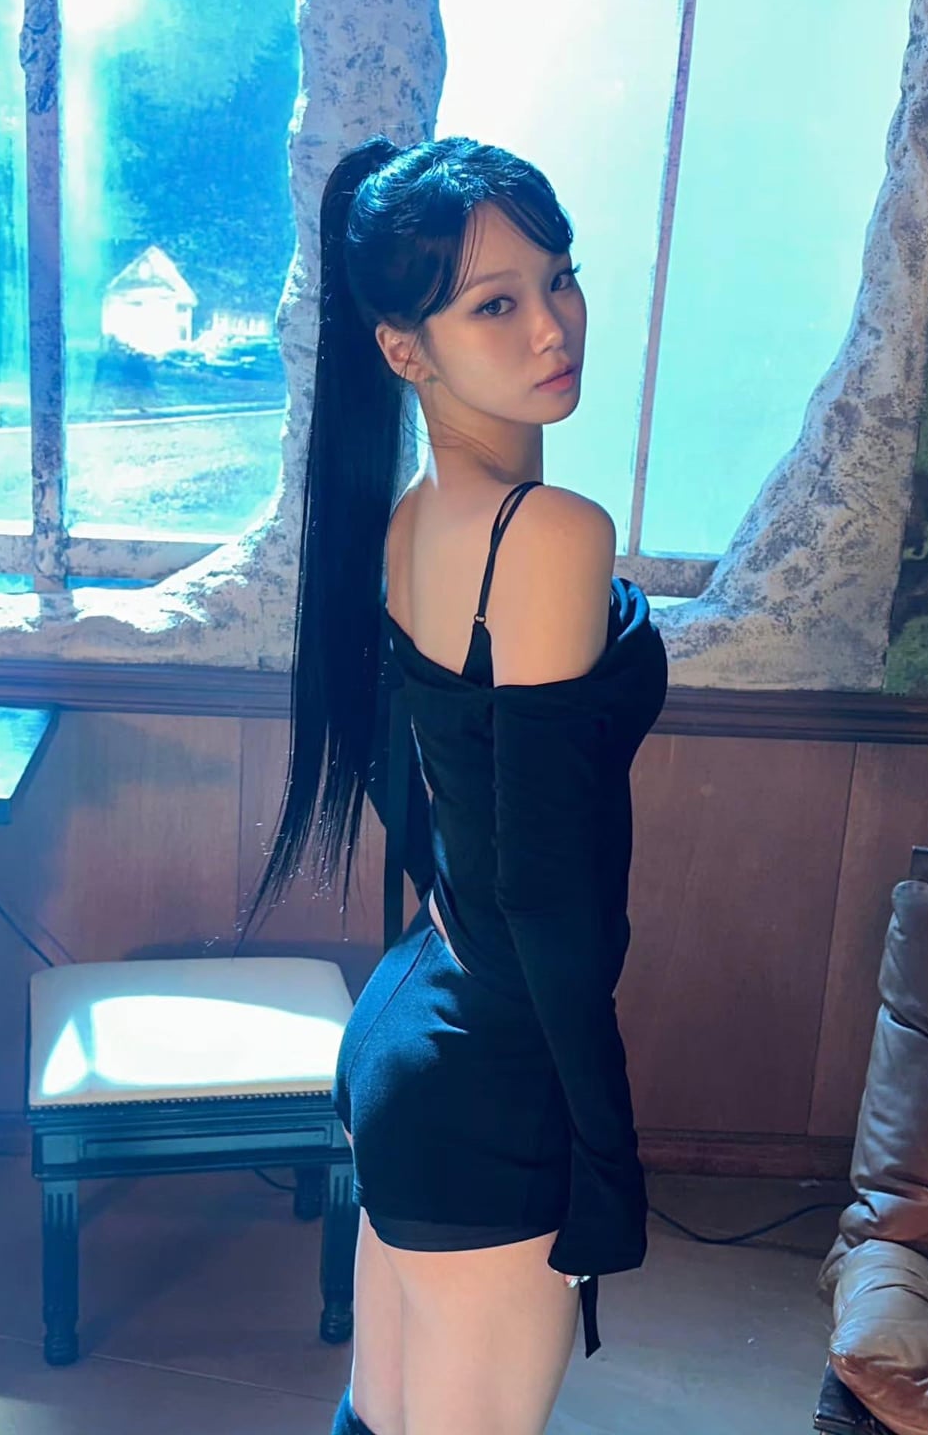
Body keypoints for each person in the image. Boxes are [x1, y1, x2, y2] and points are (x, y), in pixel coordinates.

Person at [235, 134, 669, 1435]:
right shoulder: (550, 535)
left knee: (380, 1416)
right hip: (493, 1067)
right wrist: (606, 1154)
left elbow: (439, 799)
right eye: (495, 303)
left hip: (413, 1021)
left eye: (560, 277)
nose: (553, 324)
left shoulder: (412, 519)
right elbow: (544, 894)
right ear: (403, 349)